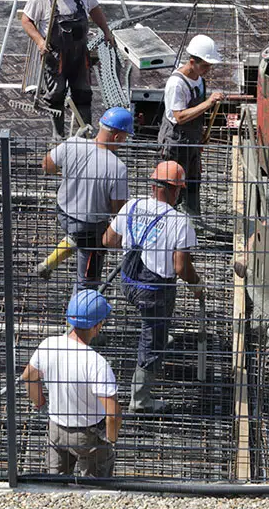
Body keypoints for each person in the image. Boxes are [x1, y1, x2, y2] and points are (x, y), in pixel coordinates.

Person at [102, 161, 204, 413]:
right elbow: (181, 268)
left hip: (127, 282)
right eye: (179, 189)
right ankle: (140, 400)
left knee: (152, 321)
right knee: (152, 341)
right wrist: (197, 284)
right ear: (174, 190)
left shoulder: (132, 206)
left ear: (152, 184)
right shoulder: (179, 222)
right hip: (155, 292)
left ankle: (157, 330)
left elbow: (108, 240)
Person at [22, 289, 121, 477]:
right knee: (97, 488)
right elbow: (113, 414)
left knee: (55, 485)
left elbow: (28, 377)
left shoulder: (48, 346)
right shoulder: (96, 363)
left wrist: (41, 403)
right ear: (97, 326)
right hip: (88, 437)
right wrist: (111, 439)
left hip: (56, 430)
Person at [21, 0, 115, 140]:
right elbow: (26, 20)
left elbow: (95, 10)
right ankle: (59, 137)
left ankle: (85, 136)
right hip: (56, 58)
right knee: (56, 95)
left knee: (83, 93)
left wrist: (106, 31)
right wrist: (40, 41)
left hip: (80, 54)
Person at [37, 107, 133, 291]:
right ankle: (77, 317)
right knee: (87, 281)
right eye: (125, 137)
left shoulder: (73, 143)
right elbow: (117, 212)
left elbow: (46, 165)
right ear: (117, 137)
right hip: (89, 227)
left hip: (63, 213)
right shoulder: (117, 168)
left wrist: (69, 171)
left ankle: (53, 259)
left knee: (77, 234)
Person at [158, 34, 224, 216]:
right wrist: (208, 103)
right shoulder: (177, 84)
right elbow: (179, 116)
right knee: (172, 185)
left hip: (191, 141)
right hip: (176, 143)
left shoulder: (199, 79)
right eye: (205, 66)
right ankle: (167, 220)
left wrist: (200, 136)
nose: (208, 70)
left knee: (193, 183)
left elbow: (195, 114)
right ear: (192, 61)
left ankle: (193, 222)